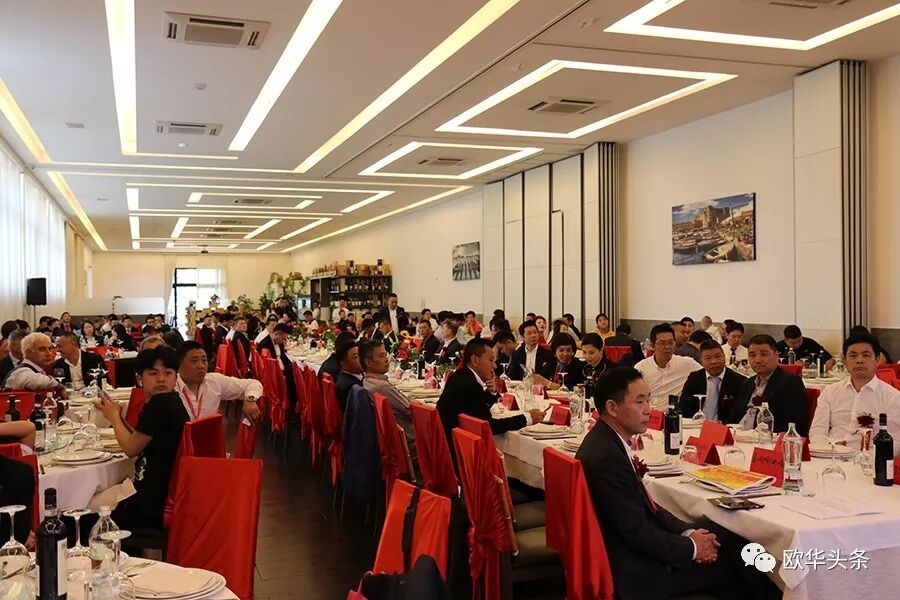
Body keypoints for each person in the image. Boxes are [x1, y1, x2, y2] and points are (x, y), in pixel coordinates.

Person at [576, 367, 742, 600]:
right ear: (612, 408)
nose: (649, 409)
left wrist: (688, 532)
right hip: (635, 572)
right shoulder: (607, 457)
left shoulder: (606, 440)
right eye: (639, 402)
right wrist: (693, 548)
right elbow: (636, 532)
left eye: (649, 400)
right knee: (738, 560)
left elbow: (647, 506)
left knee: (724, 536)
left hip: (628, 550)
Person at [90, 347, 188, 530]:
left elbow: (131, 449)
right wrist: (117, 414)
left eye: (168, 373)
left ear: (176, 378)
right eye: (153, 373)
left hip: (152, 500)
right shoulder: (171, 400)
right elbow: (139, 437)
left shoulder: (160, 404)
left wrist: (113, 417)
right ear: (139, 378)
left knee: (84, 507)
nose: (161, 379)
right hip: (167, 491)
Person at [437, 338, 545, 446]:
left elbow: (475, 409)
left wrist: (491, 392)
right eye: (491, 360)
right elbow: (489, 426)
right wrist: (527, 418)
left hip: (446, 442)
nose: (495, 366)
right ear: (475, 360)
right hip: (456, 447)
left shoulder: (460, 376)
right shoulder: (470, 384)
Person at [809, 333, 900, 453]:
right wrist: (826, 450)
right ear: (845, 361)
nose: (859, 360)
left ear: (877, 360)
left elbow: (895, 442)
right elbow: (818, 430)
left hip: (869, 458)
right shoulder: (830, 391)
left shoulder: (892, 397)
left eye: (866, 355)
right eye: (853, 356)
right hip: (831, 455)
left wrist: (864, 457)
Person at [727, 334, 809, 435]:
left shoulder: (791, 383)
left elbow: (794, 423)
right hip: (738, 434)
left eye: (764, 354)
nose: (757, 360)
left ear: (776, 355)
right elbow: (735, 415)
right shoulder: (747, 383)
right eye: (752, 355)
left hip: (765, 437)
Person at [175, 341, 262, 423]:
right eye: (194, 361)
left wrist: (250, 399)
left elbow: (253, 383)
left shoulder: (214, 382)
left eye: (204, 360)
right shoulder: (171, 387)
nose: (201, 366)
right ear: (179, 365)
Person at [634, 323, 702, 410]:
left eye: (670, 342)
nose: (667, 347)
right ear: (652, 345)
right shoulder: (641, 368)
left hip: (676, 414)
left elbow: (706, 374)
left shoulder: (687, 363)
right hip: (649, 414)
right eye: (662, 343)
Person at [678, 340, 748, 420]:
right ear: (701, 361)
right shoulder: (695, 378)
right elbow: (684, 407)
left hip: (725, 426)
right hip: (697, 424)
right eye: (708, 358)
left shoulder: (739, 381)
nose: (714, 362)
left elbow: (738, 413)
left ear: (724, 357)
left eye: (717, 356)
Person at [360, 340, 414, 444]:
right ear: (368, 362)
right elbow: (411, 410)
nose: (386, 359)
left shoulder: (366, 382)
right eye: (381, 356)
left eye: (386, 355)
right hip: (408, 442)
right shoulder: (382, 387)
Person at [3, 333, 67, 395]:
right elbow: (37, 381)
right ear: (28, 353)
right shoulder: (21, 371)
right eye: (42, 349)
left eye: (49, 349)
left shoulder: (34, 370)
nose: (49, 354)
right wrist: (58, 385)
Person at [333, 341, 363, 411]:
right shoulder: (352, 387)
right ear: (344, 365)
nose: (362, 358)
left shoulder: (344, 376)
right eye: (356, 357)